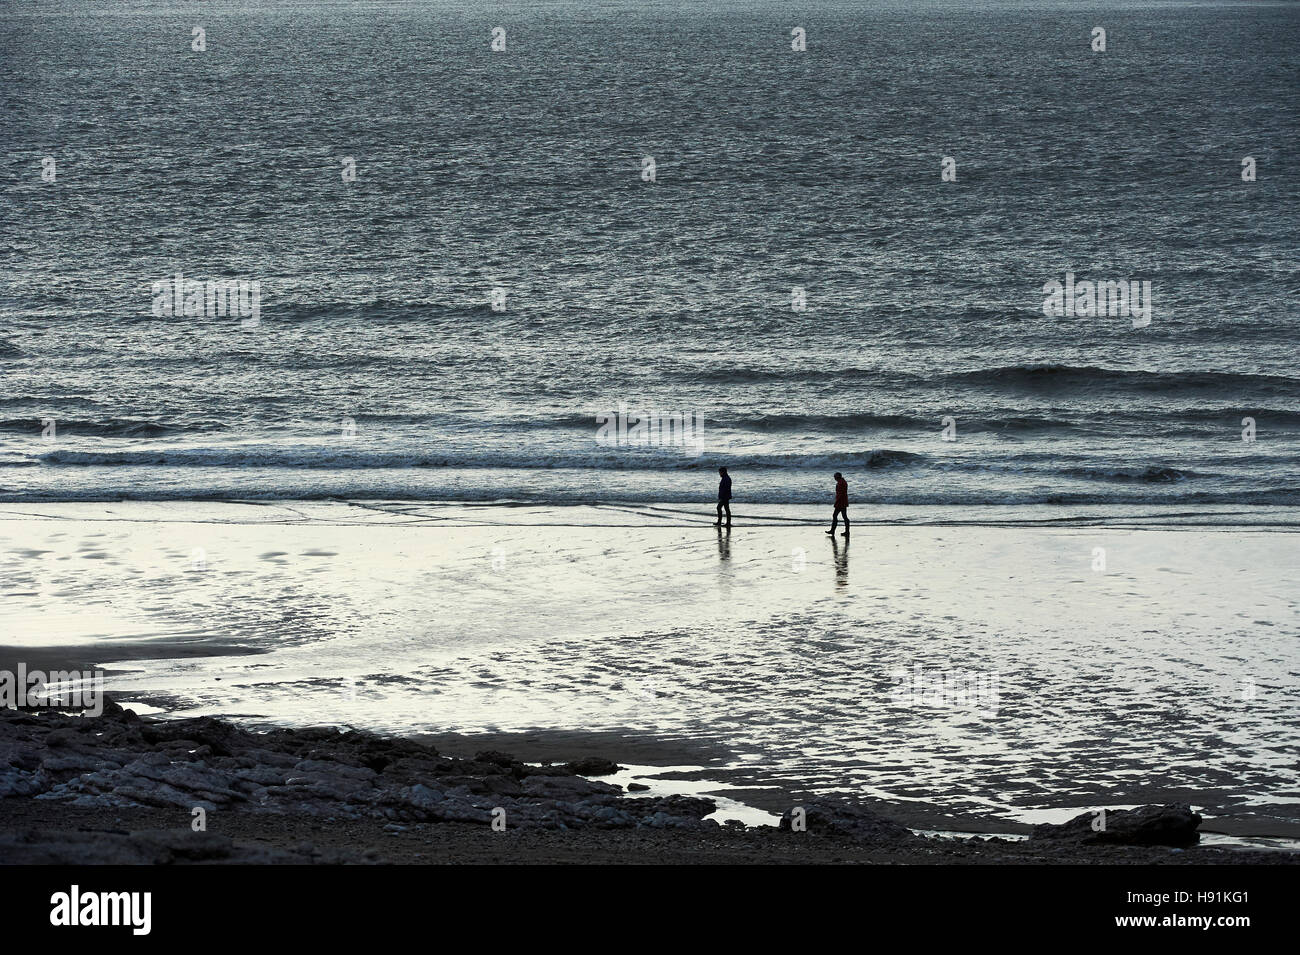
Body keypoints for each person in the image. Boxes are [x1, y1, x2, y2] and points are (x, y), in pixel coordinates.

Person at [826, 471, 849, 537]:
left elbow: (840, 494)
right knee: (844, 516)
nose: (834, 478)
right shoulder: (842, 482)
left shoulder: (841, 483)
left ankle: (833, 531)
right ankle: (846, 531)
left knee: (835, 515)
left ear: (837, 477)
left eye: (835, 477)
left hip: (841, 502)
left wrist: (836, 502)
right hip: (843, 501)